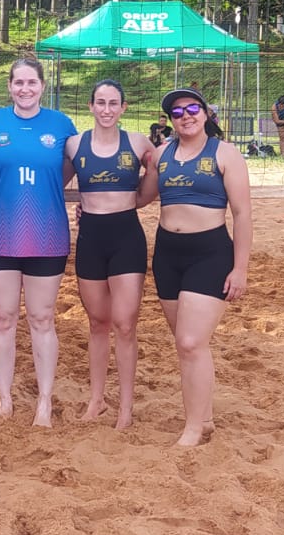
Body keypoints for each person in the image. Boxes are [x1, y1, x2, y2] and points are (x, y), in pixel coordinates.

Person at [0, 57, 78, 427]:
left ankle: (44, 402)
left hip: (46, 235)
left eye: (32, 83)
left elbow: (78, 166)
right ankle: (5, 399)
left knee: (43, 317)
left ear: (43, 86)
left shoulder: (61, 125)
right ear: (9, 86)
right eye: (19, 83)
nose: (25, 89)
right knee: (2, 318)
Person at [154, 86, 253, 446]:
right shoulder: (162, 154)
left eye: (192, 108)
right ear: (170, 121)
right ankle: (204, 418)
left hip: (210, 252)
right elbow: (138, 196)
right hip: (167, 253)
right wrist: (93, 204)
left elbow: (242, 214)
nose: (186, 116)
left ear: (207, 113)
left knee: (191, 340)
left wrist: (239, 269)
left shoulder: (225, 154)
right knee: (186, 345)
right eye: (177, 112)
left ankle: (193, 428)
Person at [64, 79, 159, 429]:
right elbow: (54, 183)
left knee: (125, 324)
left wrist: (133, 199)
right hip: (90, 236)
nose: (106, 109)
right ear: (90, 106)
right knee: (97, 323)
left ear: (123, 108)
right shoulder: (75, 145)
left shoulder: (137, 142)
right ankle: (97, 400)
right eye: (100, 103)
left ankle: (126, 408)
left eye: (113, 103)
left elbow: (153, 181)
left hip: (126, 236)